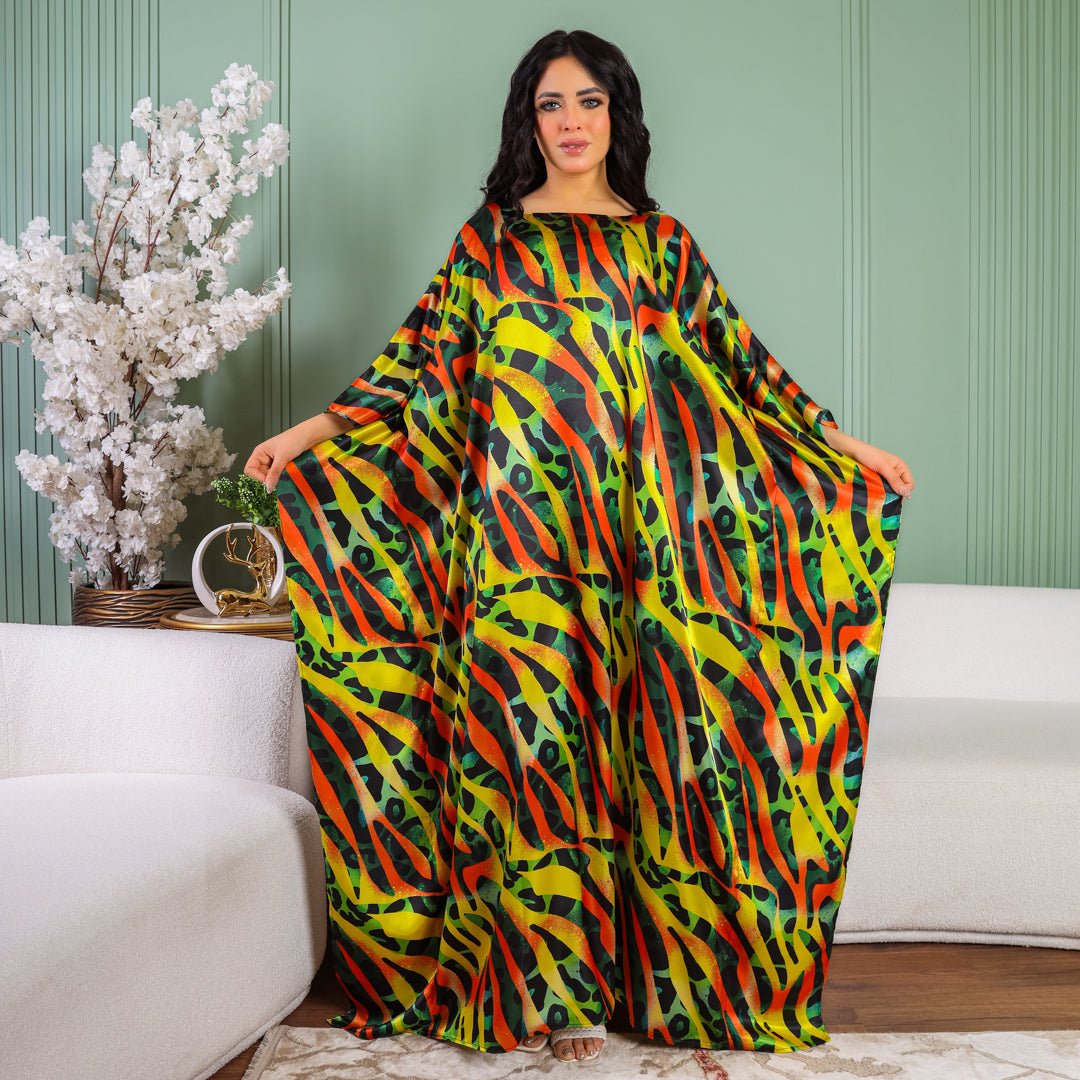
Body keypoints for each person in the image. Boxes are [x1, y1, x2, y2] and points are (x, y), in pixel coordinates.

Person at [245, 29, 912, 1064]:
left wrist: (842, 444)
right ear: (530, 120)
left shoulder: (660, 245)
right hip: (513, 549)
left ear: (617, 116)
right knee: (531, 752)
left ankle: (623, 982)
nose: (570, 122)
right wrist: (309, 434)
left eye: (589, 102)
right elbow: (414, 362)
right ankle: (540, 989)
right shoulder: (492, 243)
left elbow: (743, 367)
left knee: (635, 756)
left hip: (634, 548)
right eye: (551, 103)